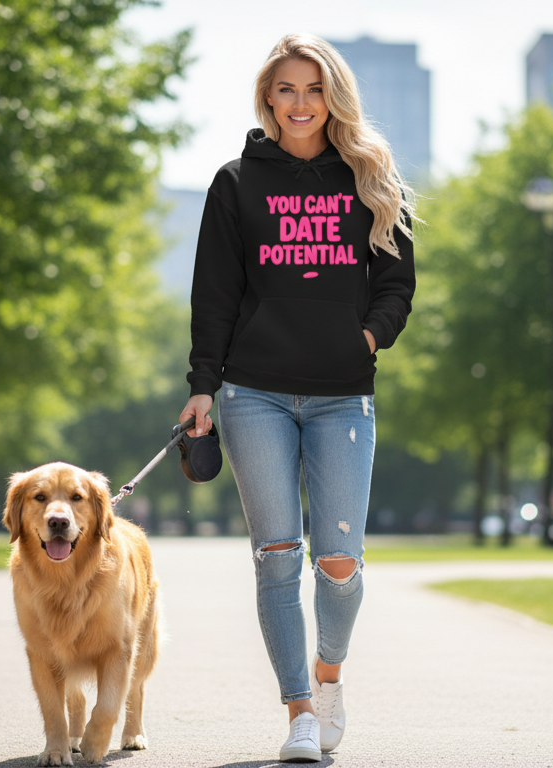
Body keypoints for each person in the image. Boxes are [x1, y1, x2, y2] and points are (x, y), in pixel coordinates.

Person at [179, 33, 416, 763]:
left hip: (343, 395)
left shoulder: (370, 176)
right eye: (287, 89)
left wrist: (367, 341)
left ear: (332, 96)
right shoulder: (234, 183)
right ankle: (300, 714)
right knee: (277, 556)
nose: (301, 102)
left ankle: (329, 674)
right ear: (268, 98)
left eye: (314, 89)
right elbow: (215, 295)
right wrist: (202, 388)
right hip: (254, 395)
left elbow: (396, 285)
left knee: (339, 561)